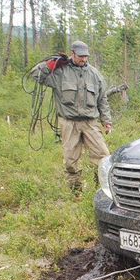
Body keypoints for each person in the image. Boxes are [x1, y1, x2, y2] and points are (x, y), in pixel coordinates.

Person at [32, 40, 112, 194]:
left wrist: (107, 121)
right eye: (80, 56)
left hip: (90, 123)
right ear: (73, 54)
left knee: (103, 157)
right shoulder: (60, 72)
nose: (83, 59)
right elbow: (37, 75)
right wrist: (50, 63)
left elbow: (102, 99)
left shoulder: (95, 75)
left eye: (86, 56)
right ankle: (76, 192)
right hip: (69, 123)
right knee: (71, 160)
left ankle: (101, 190)